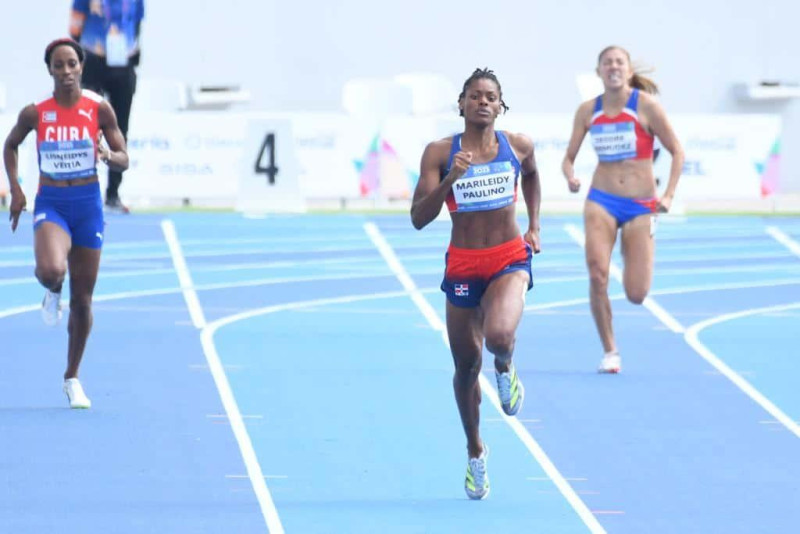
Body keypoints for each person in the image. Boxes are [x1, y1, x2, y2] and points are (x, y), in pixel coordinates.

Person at [410, 68, 541, 500]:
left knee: (500, 336)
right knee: (466, 368)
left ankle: (505, 367)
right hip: (464, 265)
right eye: (475, 96)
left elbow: (534, 176)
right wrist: (450, 178)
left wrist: (534, 226)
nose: (483, 102)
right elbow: (418, 219)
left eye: (491, 97)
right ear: (462, 104)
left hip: (508, 257)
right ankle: (476, 452)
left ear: (500, 106)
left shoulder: (517, 146)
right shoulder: (439, 152)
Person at [3, 38, 129, 408]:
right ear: (50, 71)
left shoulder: (98, 109)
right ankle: (52, 287)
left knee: (84, 301)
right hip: (53, 203)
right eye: (59, 65)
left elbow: (124, 157)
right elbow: (10, 145)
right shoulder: (36, 112)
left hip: (88, 204)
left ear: (81, 66)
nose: (66, 71)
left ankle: (72, 377)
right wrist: (16, 189)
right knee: (49, 269)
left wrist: (108, 154)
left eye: (72, 64)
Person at [562, 46, 684, 373]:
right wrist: (571, 176)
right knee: (597, 273)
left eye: (619, 62)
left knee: (636, 293)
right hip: (601, 200)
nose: (613, 67)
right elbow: (568, 158)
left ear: (628, 70)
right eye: (607, 63)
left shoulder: (646, 107)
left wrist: (669, 195)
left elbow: (677, 152)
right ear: (598, 71)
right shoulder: (588, 111)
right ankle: (610, 350)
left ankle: (635, 250)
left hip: (641, 205)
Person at [69, 0, 144, 214]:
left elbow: (137, 24)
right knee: (83, 126)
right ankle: (79, 189)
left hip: (123, 63)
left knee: (120, 128)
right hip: (93, 60)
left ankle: (113, 194)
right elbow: (75, 27)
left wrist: (133, 49)